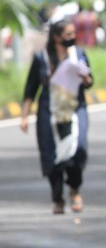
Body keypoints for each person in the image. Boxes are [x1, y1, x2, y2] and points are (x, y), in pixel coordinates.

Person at [19, 20, 94, 214]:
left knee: (78, 148)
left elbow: (89, 80)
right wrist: (24, 116)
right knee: (51, 154)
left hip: (75, 108)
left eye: (73, 33)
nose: (71, 38)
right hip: (49, 111)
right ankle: (57, 198)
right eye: (67, 35)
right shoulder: (42, 57)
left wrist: (86, 79)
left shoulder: (78, 54)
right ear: (56, 36)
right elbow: (31, 88)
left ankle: (74, 189)